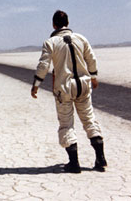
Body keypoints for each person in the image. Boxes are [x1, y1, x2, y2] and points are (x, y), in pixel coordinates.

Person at [30, 10, 107, 173]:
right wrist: (93, 77)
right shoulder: (81, 38)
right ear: (68, 23)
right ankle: (100, 159)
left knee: (66, 123)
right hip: (84, 85)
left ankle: (74, 163)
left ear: (53, 24)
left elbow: (44, 65)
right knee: (89, 119)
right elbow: (91, 59)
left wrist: (36, 84)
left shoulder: (50, 42)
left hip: (64, 88)